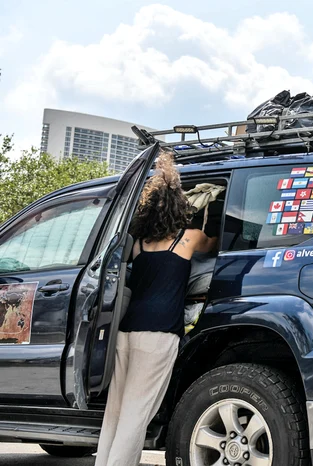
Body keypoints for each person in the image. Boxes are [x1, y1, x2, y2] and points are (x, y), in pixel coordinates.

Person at [95, 149, 218, 466]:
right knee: (138, 412)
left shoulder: (137, 244)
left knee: (117, 410)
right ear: (180, 207)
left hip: (127, 330)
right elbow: (215, 243)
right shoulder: (188, 239)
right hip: (159, 334)